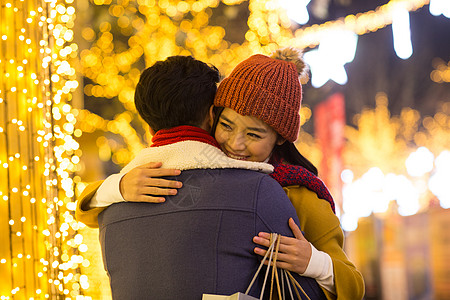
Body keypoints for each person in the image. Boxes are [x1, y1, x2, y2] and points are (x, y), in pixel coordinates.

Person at [76, 49, 365, 299]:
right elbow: (87, 210)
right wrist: (120, 185)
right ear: (213, 117)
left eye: (253, 134)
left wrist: (314, 262)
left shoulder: (298, 192)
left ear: (280, 138)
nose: (235, 144)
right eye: (226, 125)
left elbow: (355, 285)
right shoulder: (178, 172)